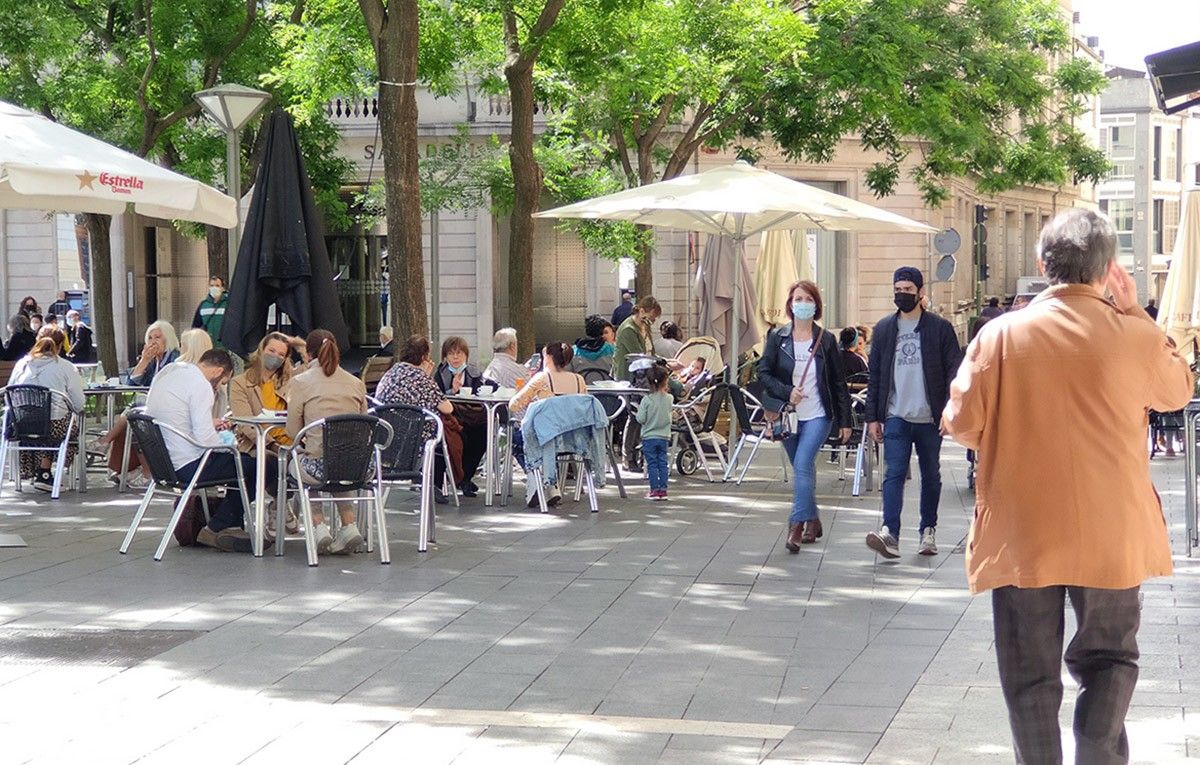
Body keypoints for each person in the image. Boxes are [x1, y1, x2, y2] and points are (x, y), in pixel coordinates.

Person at [942, 209, 1193, 764]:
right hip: (1112, 530)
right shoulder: (1132, 336)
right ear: (1107, 270)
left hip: (1022, 531)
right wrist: (1136, 315)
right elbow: (1177, 391)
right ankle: (1098, 754)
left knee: (1029, 677)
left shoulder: (998, 336)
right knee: (1110, 659)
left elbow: (960, 424)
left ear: (1042, 266)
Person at [864, 266, 962, 559]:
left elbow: (953, 372)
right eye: (898, 290)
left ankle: (927, 531)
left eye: (908, 290)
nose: (902, 295)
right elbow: (876, 376)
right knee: (894, 473)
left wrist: (949, 411)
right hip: (896, 415)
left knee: (931, 474)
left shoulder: (940, 329)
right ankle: (889, 532)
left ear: (921, 294)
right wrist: (872, 417)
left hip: (929, 417)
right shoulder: (883, 329)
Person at [757, 281, 852, 550]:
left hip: (819, 414)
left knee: (801, 464)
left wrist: (845, 421)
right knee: (804, 468)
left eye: (808, 299)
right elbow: (763, 372)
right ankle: (813, 519)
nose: (802, 303)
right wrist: (787, 392)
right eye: (798, 298)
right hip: (788, 415)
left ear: (816, 305)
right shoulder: (778, 337)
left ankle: (796, 525)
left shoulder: (826, 340)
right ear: (790, 303)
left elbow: (838, 382)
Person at [144, 349, 264, 553]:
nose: (219, 388)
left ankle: (229, 525)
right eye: (222, 382)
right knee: (260, 466)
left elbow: (177, 419)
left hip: (163, 464)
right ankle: (217, 526)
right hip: (190, 466)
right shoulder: (201, 385)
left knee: (239, 464)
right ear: (218, 371)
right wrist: (230, 445)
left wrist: (210, 424)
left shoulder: (169, 371)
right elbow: (206, 440)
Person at [286, 329, 369, 555]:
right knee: (338, 460)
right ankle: (349, 524)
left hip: (318, 469)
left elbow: (293, 431)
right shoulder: (355, 383)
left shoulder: (300, 382)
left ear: (308, 354)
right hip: (356, 468)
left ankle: (318, 525)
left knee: (300, 460)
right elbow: (363, 422)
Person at [375, 335, 457, 504]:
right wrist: (426, 376)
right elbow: (448, 408)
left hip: (387, 441)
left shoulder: (390, 374)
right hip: (415, 444)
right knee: (447, 434)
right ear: (423, 357)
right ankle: (436, 483)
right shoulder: (422, 379)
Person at [509, 342, 588, 507]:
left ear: (549, 357)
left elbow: (514, 405)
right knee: (544, 438)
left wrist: (531, 394)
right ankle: (551, 487)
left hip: (547, 439)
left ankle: (537, 483)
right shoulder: (579, 380)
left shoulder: (542, 378)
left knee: (517, 439)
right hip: (573, 438)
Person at [9, 328, 85, 492]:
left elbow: (10, 389)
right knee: (64, 425)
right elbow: (79, 404)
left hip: (20, 424)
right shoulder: (66, 367)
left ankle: (37, 472)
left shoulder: (22, 364)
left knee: (42, 422)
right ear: (59, 346)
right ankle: (44, 473)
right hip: (53, 428)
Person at [434, 336, 488, 498]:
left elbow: (482, 393)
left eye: (459, 353)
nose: (455, 357)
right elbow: (436, 397)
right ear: (445, 356)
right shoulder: (440, 375)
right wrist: (452, 391)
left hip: (472, 416)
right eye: (451, 354)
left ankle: (466, 477)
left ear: (466, 355)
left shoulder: (474, 373)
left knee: (483, 433)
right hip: (451, 417)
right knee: (458, 436)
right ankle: (460, 478)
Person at [637, 366, 673, 501]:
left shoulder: (647, 400)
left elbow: (641, 419)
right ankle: (663, 490)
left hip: (649, 436)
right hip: (664, 436)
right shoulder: (669, 398)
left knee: (652, 464)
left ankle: (654, 490)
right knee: (663, 462)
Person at [613, 296, 660, 381]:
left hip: (644, 372)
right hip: (629, 375)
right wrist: (659, 363)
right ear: (641, 311)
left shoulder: (645, 326)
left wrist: (665, 361)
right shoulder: (628, 329)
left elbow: (650, 352)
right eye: (651, 319)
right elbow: (638, 355)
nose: (652, 322)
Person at [129, 321, 179, 387]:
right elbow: (131, 385)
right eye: (150, 338)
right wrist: (144, 361)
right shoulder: (151, 361)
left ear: (168, 339)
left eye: (157, 337)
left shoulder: (176, 359)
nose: (153, 342)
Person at [570, 315, 616, 380]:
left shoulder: (573, 351)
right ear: (601, 331)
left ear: (586, 331)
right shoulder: (613, 350)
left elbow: (568, 374)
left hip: (582, 388)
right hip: (606, 389)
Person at [192, 275, 229, 347]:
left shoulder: (228, 304)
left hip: (224, 346)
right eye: (212, 285)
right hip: (207, 346)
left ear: (222, 288)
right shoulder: (203, 305)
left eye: (217, 285)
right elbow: (196, 326)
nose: (214, 288)